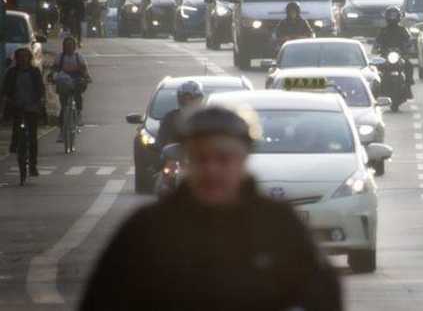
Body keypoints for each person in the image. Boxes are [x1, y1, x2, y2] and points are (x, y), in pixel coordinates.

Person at [80, 106, 342, 311]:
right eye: (201, 158)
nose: (211, 170)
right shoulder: (148, 228)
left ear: (244, 159)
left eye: (223, 158)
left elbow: (322, 296)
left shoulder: (279, 224)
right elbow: (102, 299)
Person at [2, 48, 46, 177]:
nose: (23, 59)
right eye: (20, 57)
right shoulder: (11, 72)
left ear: (29, 58)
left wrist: (39, 101)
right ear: (16, 59)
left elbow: (40, 89)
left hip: (31, 107)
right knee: (17, 129)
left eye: (25, 56)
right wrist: (7, 99)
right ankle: (16, 146)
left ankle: (32, 165)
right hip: (17, 106)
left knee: (32, 137)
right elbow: (5, 89)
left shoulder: (34, 72)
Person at [52, 36, 91, 139]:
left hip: (77, 79)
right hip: (63, 80)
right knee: (64, 107)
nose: (69, 47)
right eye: (67, 45)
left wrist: (87, 77)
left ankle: (78, 113)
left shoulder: (79, 57)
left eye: (71, 45)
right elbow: (54, 69)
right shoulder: (60, 57)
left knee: (78, 94)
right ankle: (61, 131)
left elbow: (84, 70)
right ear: (63, 47)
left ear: (74, 47)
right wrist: (52, 76)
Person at [374, 6, 414, 97]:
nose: (392, 17)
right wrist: (376, 48)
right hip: (385, 56)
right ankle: (377, 88)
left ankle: (408, 85)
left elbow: (409, 41)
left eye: (394, 15)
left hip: (399, 55)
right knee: (376, 67)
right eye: (390, 15)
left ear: (398, 16)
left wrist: (409, 49)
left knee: (409, 65)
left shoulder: (403, 30)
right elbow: (377, 43)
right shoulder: (383, 31)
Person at [157, 81, 204, 149]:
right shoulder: (170, 118)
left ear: (199, 99)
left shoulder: (207, 118)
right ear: (179, 99)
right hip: (176, 157)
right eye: (184, 99)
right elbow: (161, 141)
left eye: (191, 99)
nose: (188, 102)